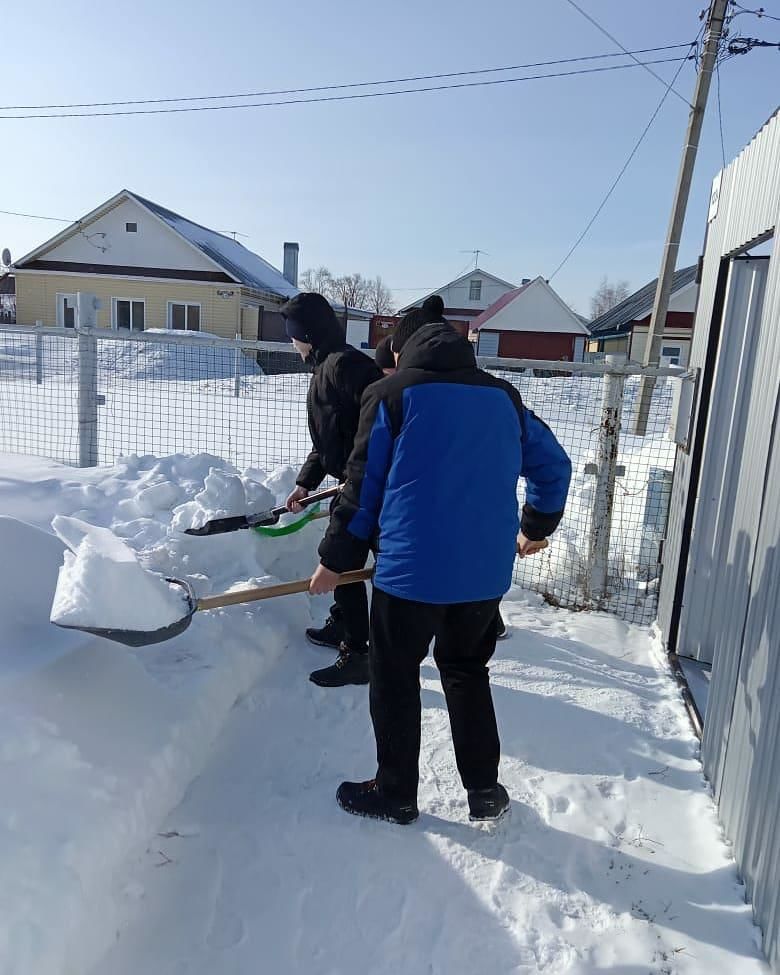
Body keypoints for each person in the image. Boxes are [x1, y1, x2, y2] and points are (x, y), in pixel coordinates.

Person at [309, 311, 571, 824]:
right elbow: (553, 466)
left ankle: (395, 792)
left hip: (410, 575)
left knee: (395, 677)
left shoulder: (391, 397)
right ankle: (485, 791)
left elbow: (362, 492)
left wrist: (334, 562)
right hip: (483, 576)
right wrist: (536, 527)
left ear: (401, 354)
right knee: (468, 672)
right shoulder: (504, 398)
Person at [281, 292, 381, 687]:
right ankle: (349, 630)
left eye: (293, 335)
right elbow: (331, 440)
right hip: (356, 485)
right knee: (349, 567)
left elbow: (374, 433)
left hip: (370, 490)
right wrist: (306, 481)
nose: (291, 344)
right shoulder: (329, 368)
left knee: (351, 564)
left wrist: (355, 481)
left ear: (306, 334)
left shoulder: (347, 368)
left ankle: (362, 654)